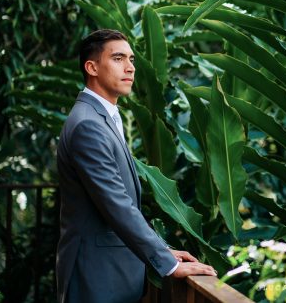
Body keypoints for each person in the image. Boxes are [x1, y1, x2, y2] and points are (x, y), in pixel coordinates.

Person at [56, 29, 215, 303]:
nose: (130, 67)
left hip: (112, 274)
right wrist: (169, 264)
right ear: (92, 67)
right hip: (96, 277)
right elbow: (116, 204)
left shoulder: (102, 117)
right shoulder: (88, 125)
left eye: (131, 59)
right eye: (118, 58)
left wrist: (162, 249)